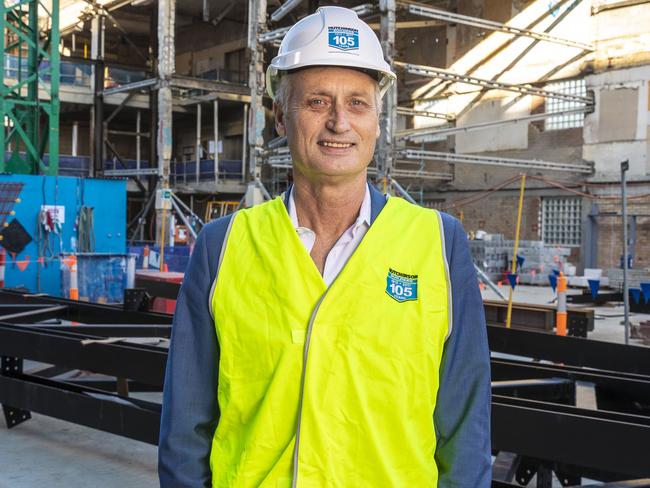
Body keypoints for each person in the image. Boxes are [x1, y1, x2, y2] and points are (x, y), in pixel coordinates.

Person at [159, 6, 491, 487]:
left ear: (377, 122)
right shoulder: (223, 247)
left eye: (357, 103)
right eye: (317, 102)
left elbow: (465, 425)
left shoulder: (438, 244)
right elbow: (185, 427)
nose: (339, 122)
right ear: (280, 117)